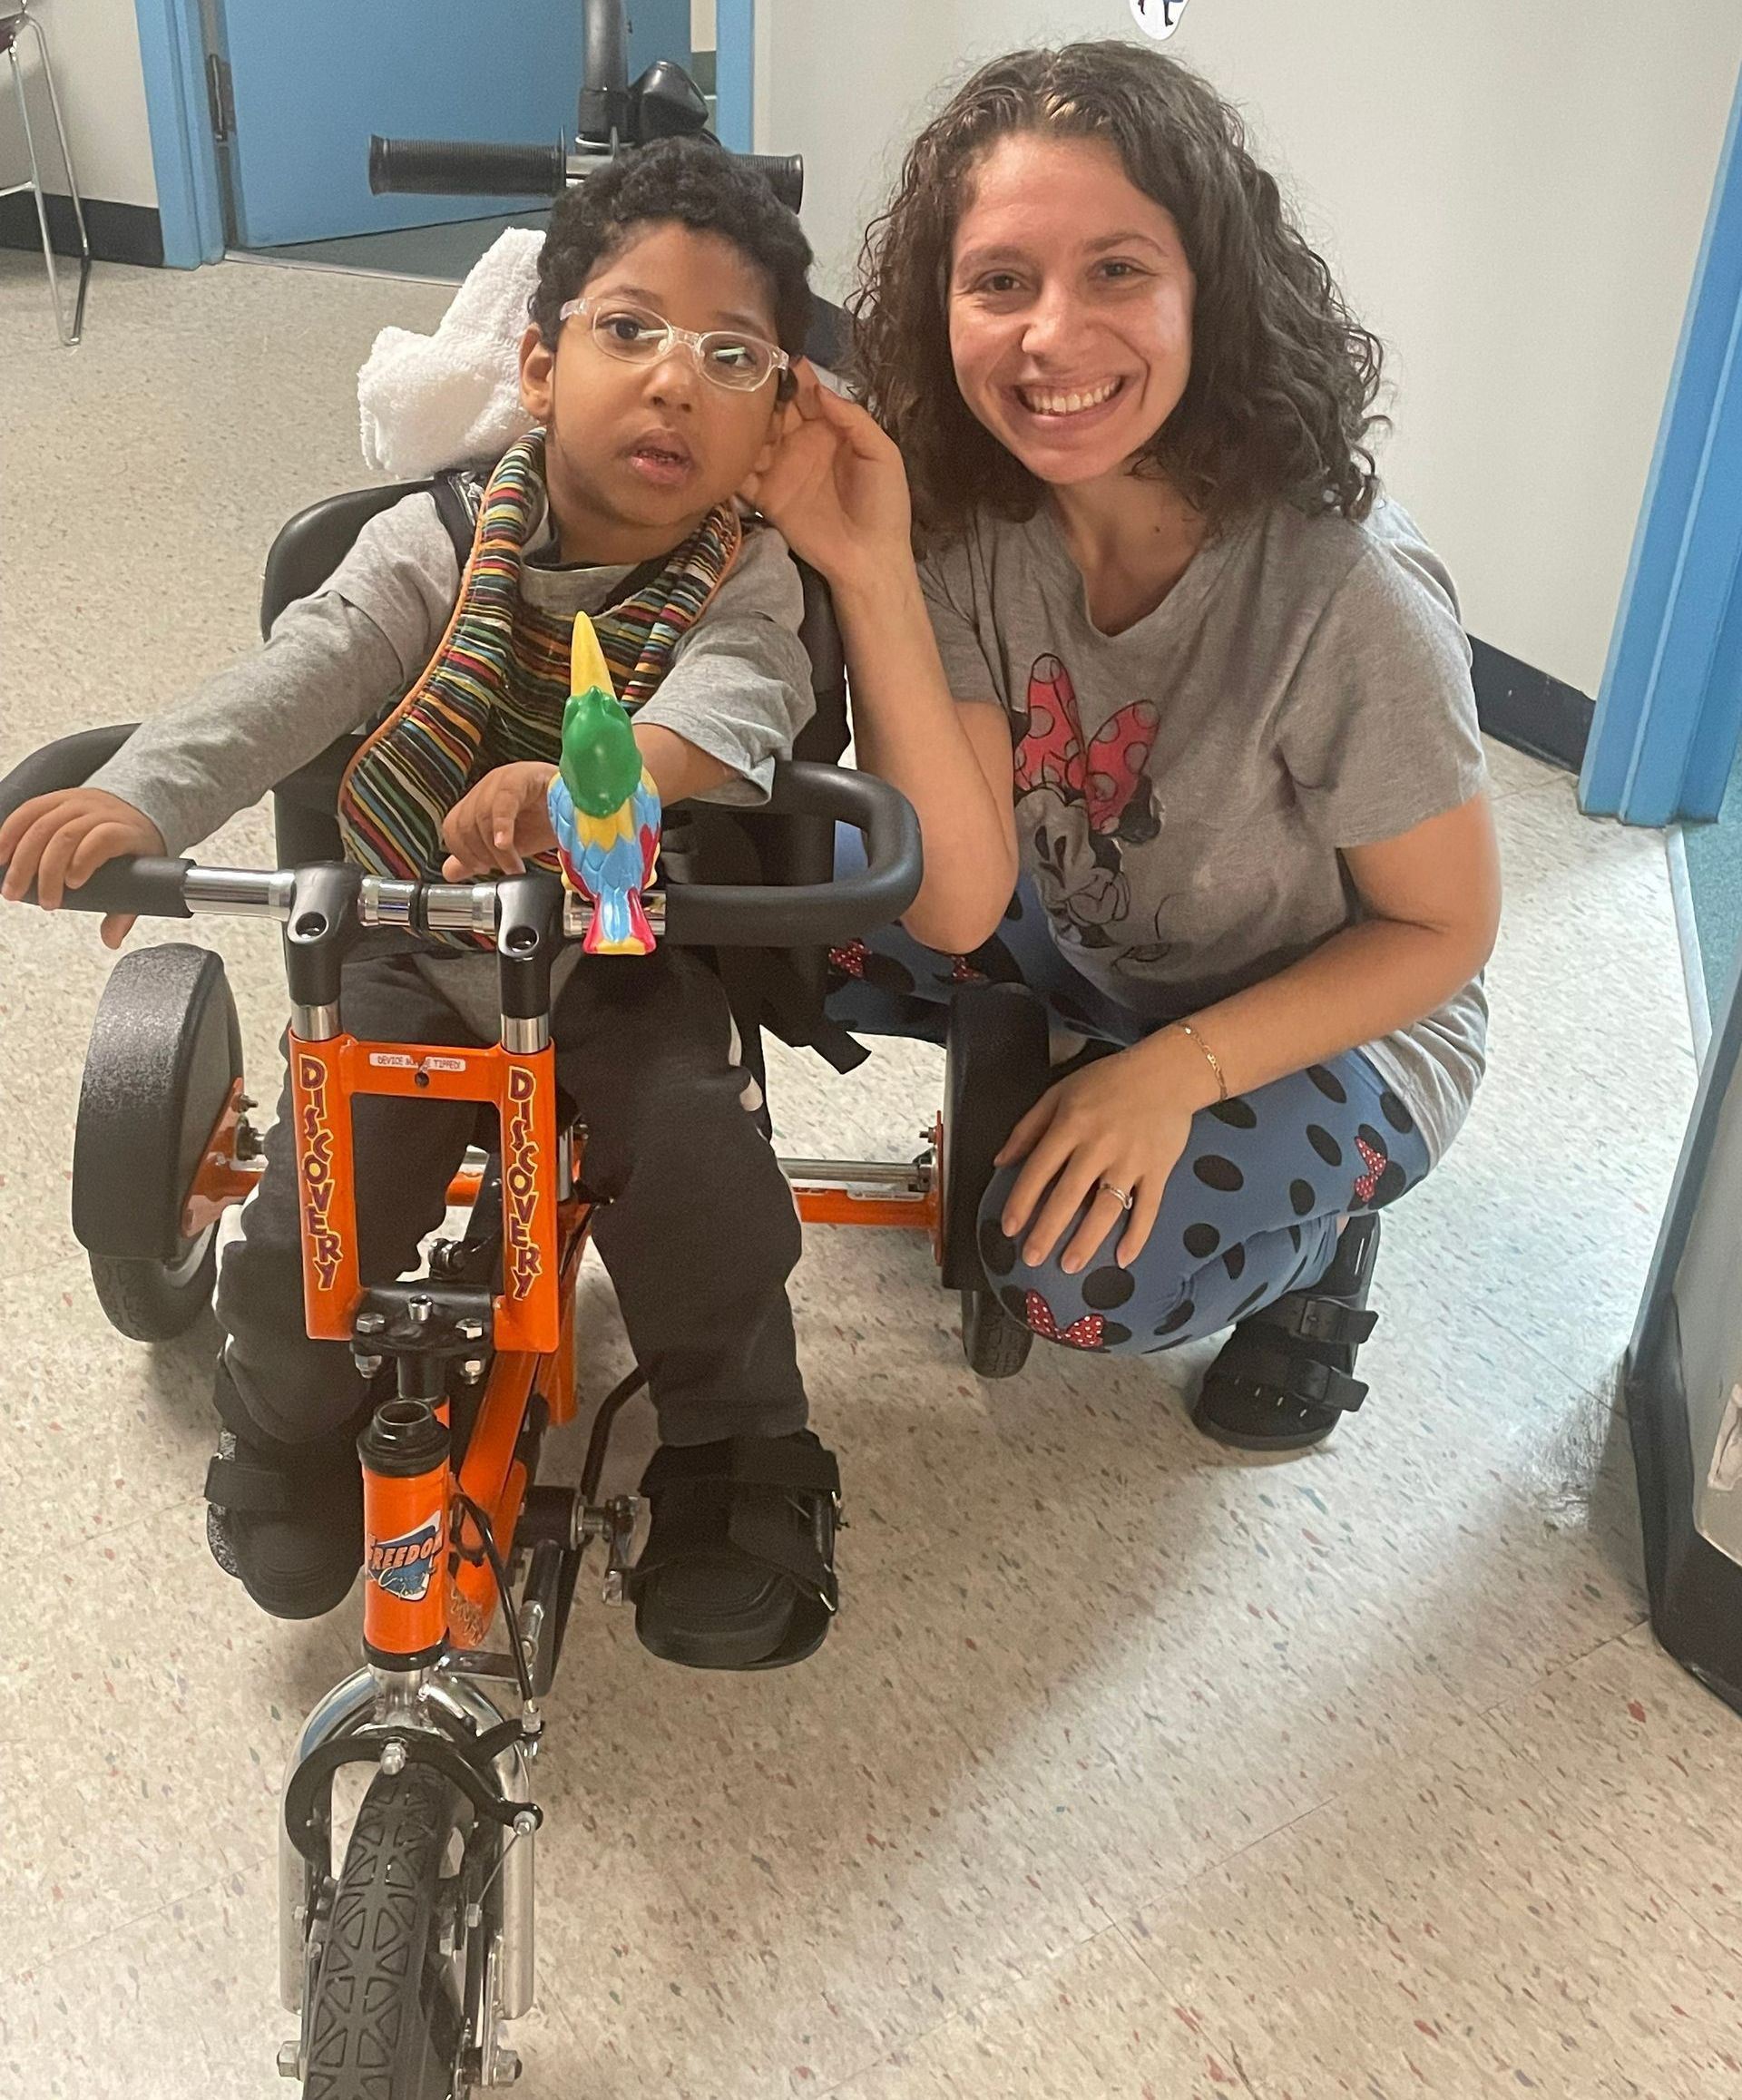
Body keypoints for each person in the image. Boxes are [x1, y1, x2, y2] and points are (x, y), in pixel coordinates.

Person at [0, 137, 842, 1669]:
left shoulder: (748, 578)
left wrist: (596, 782)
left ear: (777, 419)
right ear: (538, 360)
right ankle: (292, 1420)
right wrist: (147, 793)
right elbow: (303, 672)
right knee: (316, 1206)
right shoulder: (434, 540)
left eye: (733, 358)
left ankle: (736, 1455)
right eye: (629, 329)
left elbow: (736, 711)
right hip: (408, 936)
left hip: (619, 950)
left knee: (706, 1171)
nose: (673, 383)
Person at [747, 42, 1501, 1450]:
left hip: (1340, 1017)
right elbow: (955, 897)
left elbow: (1444, 929)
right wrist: (872, 568)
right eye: (1001, 282)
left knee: (1074, 1283)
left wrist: (1177, 1075)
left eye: (1116, 272)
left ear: (1208, 293)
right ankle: (1088, 1064)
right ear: (937, 305)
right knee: (797, 907)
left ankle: (1326, 1238)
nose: (1051, 339)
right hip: (1092, 932)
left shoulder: (1343, 594)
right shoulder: (971, 523)